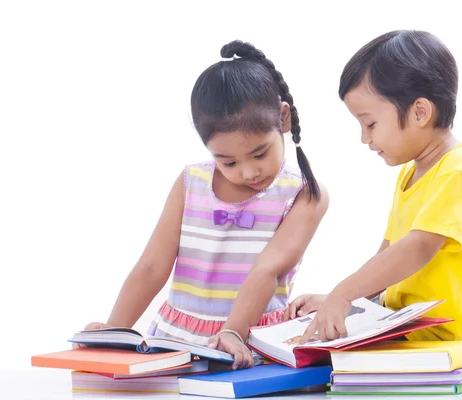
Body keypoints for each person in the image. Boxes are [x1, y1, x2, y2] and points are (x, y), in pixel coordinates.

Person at [81, 40, 328, 370]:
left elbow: (266, 269)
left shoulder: (304, 194)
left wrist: (234, 333)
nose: (248, 171)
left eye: (260, 153)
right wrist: (115, 330)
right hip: (175, 337)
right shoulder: (191, 182)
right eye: (227, 161)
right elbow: (153, 266)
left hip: (249, 341)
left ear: (282, 118)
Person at [286, 30, 462, 357]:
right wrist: (338, 299)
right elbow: (387, 257)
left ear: (419, 112)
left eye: (370, 124)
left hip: (454, 340)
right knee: (315, 356)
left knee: (325, 365)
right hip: (411, 331)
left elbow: (417, 248)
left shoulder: (460, 168)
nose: (364, 138)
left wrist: (344, 295)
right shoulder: (409, 174)